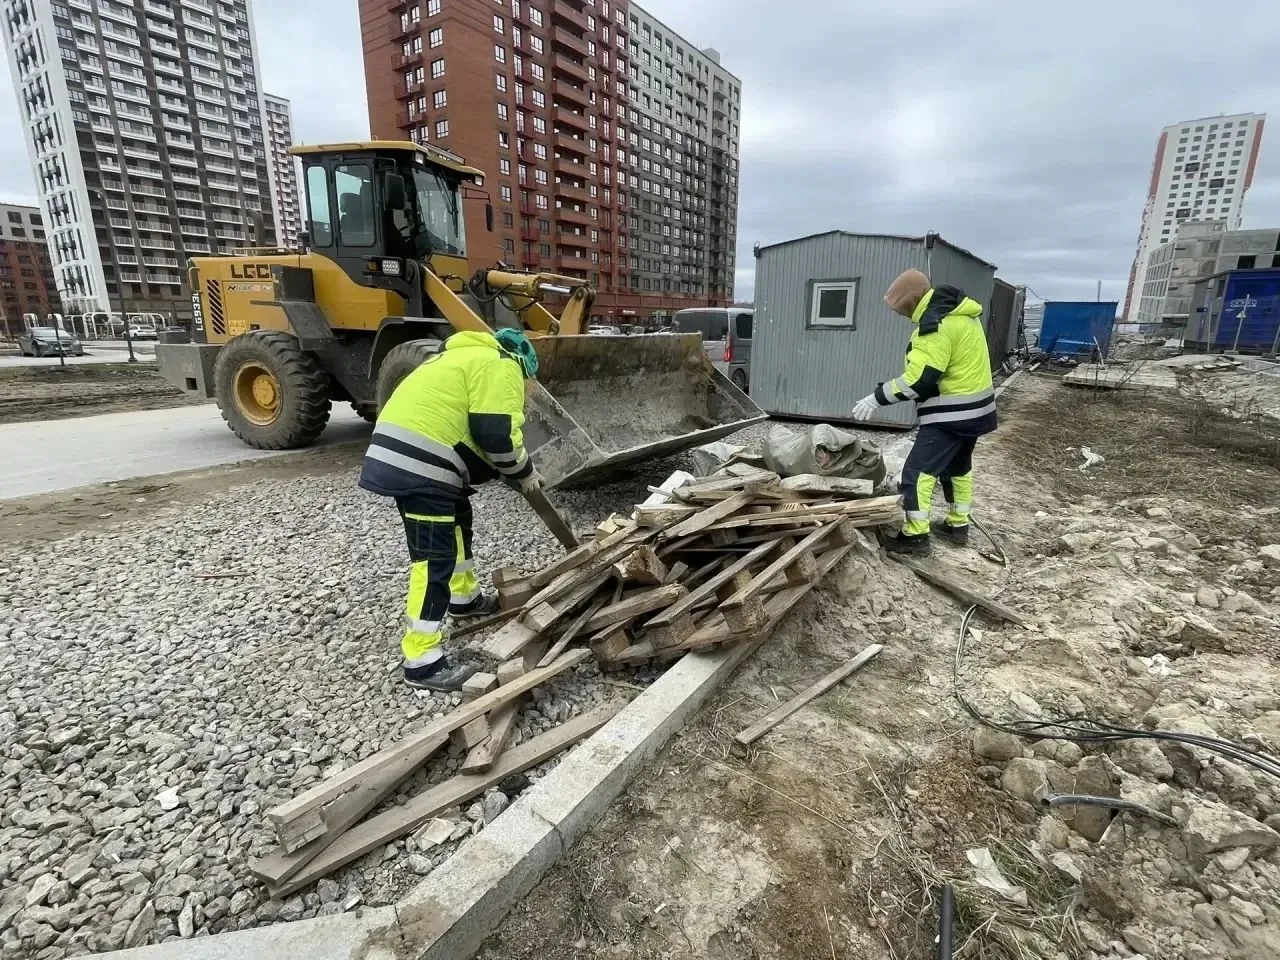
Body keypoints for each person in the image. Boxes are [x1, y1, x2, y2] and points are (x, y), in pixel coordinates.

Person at [358, 327, 543, 691]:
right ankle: (422, 661)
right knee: (434, 558)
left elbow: (464, 427)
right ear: (524, 366)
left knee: (458, 522)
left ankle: (464, 599)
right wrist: (524, 471)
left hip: (410, 456)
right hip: (423, 466)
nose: (525, 391)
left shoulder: (456, 357)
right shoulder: (502, 364)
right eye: (528, 384)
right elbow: (496, 434)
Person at [851, 269, 996, 556]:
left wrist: (877, 397)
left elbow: (921, 380)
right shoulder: (962, 314)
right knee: (957, 468)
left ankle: (915, 537)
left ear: (911, 301)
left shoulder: (935, 325)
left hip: (950, 414)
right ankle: (958, 525)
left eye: (898, 307)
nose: (897, 314)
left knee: (917, 473)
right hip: (976, 411)